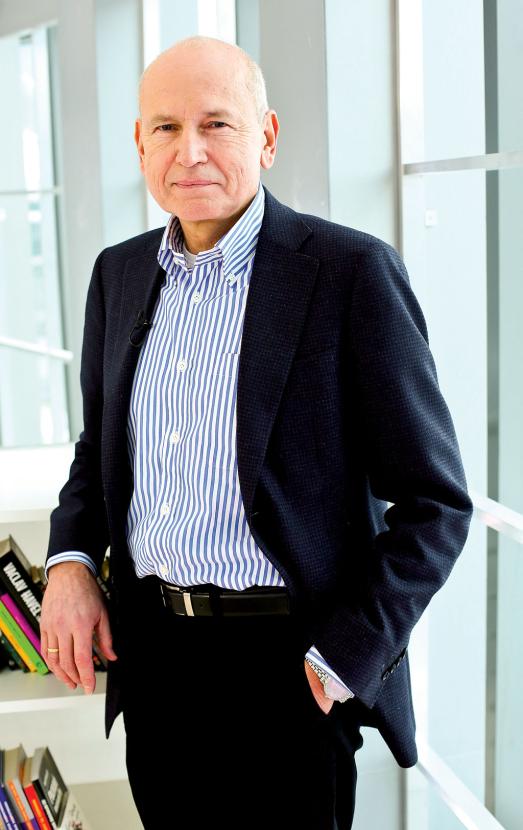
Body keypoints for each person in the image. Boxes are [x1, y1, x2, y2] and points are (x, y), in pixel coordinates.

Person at [40, 35, 473, 830]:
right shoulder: (118, 273)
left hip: (289, 670)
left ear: (266, 137)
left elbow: (435, 505)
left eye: (217, 124)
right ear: (139, 143)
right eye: (166, 127)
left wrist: (345, 654)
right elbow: (99, 453)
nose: (189, 151)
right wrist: (69, 562)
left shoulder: (349, 274)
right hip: (155, 663)